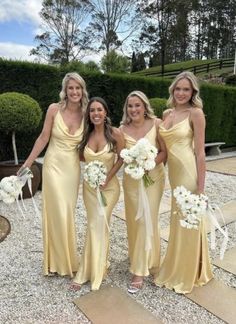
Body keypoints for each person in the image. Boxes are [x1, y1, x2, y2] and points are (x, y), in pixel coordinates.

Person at [18, 72, 89, 277]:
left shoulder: (86, 113)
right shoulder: (53, 109)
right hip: (52, 166)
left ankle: (65, 258)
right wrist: (27, 164)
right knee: (55, 211)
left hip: (72, 169)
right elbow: (43, 138)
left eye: (78, 88)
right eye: (71, 88)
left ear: (82, 90)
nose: (74, 91)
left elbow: (92, 142)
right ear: (65, 90)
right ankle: (56, 262)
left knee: (67, 212)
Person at [154, 71, 213, 294]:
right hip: (173, 175)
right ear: (173, 90)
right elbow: (163, 150)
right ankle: (177, 265)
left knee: (189, 220)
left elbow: (199, 153)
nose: (181, 93)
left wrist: (200, 189)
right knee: (177, 220)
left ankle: (189, 271)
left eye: (186, 89)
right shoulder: (167, 113)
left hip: (188, 174)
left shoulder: (196, 114)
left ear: (193, 92)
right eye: (178, 89)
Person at [71, 97, 125, 291]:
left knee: (99, 223)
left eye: (99, 110)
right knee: (94, 224)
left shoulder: (115, 134)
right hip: (89, 189)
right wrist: (90, 174)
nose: (95, 113)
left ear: (105, 112)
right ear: (89, 114)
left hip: (109, 188)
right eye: (92, 110)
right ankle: (96, 265)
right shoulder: (86, 135)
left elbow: (122, 158)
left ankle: (89, 272)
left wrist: (108, 177)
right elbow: (80, 156)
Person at [120, 91, 166, 293]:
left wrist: (150, 163)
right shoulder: (121, 129)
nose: (134, 109)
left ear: (144, 106)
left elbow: (164, 151)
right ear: (126, 109)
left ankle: (142, 269)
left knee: (149, 219)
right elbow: (121, 157)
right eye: (130, 106)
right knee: (135, 220)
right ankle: (142, 259)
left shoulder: (157, 123)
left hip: (154, 178)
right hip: (131, 181)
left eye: (137, 105)